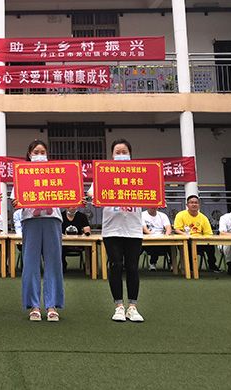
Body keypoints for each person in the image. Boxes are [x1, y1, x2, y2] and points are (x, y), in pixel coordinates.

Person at [94, 138, 145, 323]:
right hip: (112, 230)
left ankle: (132, 306)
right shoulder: (104, 173)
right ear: (112, 155)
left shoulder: (139, 173)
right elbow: (92, 193)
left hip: (133, 229)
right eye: (118, 152)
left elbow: (152, 190)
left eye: (124, 152)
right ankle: (118, 306)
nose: (121, 155)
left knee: (132, 267)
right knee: (115, 265)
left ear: (130, 154)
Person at [13, 139, 64, 322]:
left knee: (54, 263)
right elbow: (15, 199)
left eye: (42, 152)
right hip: (30, 220)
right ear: (29, 155)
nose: (39, 155)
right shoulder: (22, 174)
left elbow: (67, 192)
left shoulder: (56, 173)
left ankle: (52, 306)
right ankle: (33, 306)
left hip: (53, 219)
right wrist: (16, 202)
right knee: (30, 264)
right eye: (36, 152)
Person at [174, 195, 220, 272]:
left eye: (196, 203)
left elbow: (208, 233)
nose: (194, 204)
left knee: (210, 246)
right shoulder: (180, 215)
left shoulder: (203, 217)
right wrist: (187, 235)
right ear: (187, 205)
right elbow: (177, 230)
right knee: (188, 246)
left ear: (199, 205)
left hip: (199, 241)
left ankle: (212, 265)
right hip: (186, 241)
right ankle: (191, 268)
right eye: (191, 202)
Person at [141, 207, 172, 271]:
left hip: (162, 238)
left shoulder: (163, 215)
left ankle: (172, 264)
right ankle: (152, 263)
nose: (153, 207)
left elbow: (168, 228)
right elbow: (145, 229)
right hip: (148, 239)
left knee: (172, 245)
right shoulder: (142, 215)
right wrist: (153, 236)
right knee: (153, 246)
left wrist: (167, 235)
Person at [61, 208, 91, 272]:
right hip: (64, 244)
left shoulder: (82, 216)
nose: (73, 207)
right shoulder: (61, 216)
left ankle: (89, 267)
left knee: (90, 247)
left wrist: (86, 233)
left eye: (74, 206)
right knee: (59, 247)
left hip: (79, 243)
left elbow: (87, 229)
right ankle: (62, 266)